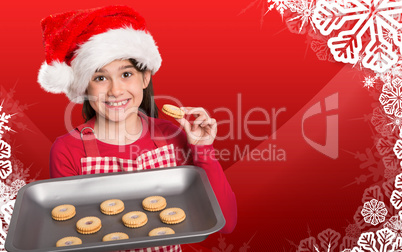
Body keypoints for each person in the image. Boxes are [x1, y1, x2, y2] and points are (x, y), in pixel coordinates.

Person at [37, 5, 237, 252]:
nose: (115, 90)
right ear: (84, 88)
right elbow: (69, 238)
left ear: (145, 78)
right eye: (100, 78)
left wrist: (203, 150)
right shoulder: (67, 150)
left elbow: (225, 223)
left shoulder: (172, 135)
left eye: (126, 74)